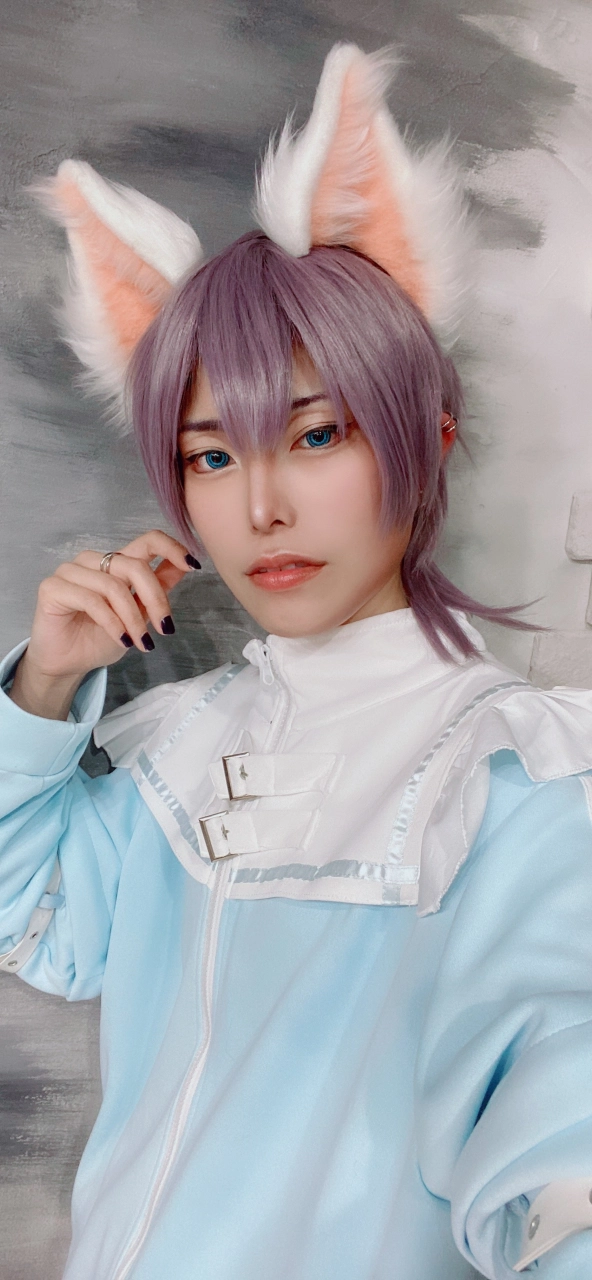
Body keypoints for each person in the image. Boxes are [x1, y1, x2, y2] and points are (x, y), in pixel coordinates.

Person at [1, 43, 592, 1280]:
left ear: (429, 432)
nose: (260, 506)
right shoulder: (174, 755)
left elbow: (558, 1165)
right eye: (211, 455)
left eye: (315, 435)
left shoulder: (518, 780)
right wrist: (43, 687)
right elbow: (38, 922)